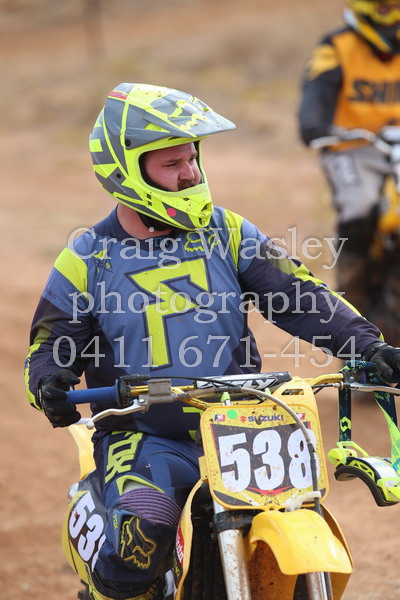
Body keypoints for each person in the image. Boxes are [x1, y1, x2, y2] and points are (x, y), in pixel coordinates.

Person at [25, 82, 400, 600]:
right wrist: (51, 381)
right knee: (139, 540)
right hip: (145, 434)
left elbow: (299, 296)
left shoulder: (227, 232)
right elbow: (48, 348)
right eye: (171, 163)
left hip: (244, 423)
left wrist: (368, 346)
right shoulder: (87, 258)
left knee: (298, 508)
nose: (190, 174)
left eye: (192, 158)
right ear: (126, 169)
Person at [297, 0, 400, 315]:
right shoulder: (336, 47)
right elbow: (317, 88)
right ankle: (351, 301)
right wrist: (312, 122)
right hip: (353, 145)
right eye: (381, 5)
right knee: (360, 205)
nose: (388, 10)